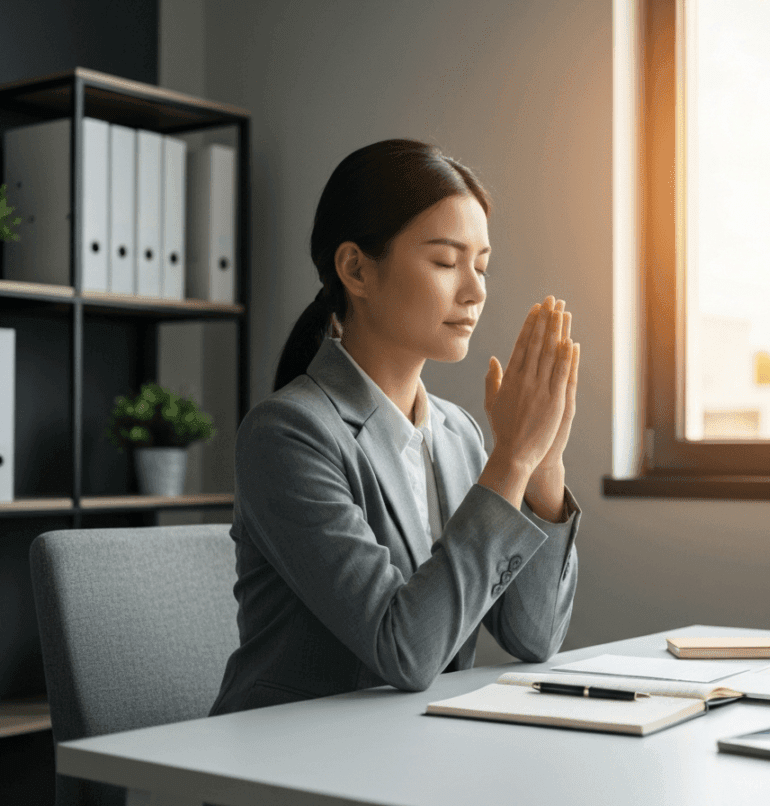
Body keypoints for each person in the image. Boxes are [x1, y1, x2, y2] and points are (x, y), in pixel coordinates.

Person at [209, 139, 582, 715]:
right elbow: (403, 650)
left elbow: (534, 637)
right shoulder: (286, 434)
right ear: (356, 268)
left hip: (414, 752)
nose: (476, 290)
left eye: (481, 265)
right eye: (444, 261)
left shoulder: (459, 433)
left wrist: (542, 465)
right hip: (293, 762)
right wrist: (510, 460)